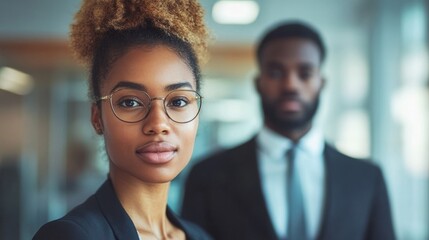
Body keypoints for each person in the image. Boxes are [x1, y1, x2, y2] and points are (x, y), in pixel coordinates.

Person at [181, 21, 396, 240]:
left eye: (305, 73)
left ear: (321, 83)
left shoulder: (367, 179)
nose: (291, 85)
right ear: (258, 83)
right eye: (275, 73)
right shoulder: (207, 176)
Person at [33, 0, 212, 239]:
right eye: (130, 102)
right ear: (97, 119)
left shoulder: (199, 236)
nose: (158, 124)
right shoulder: (70, 235)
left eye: (178, 102)